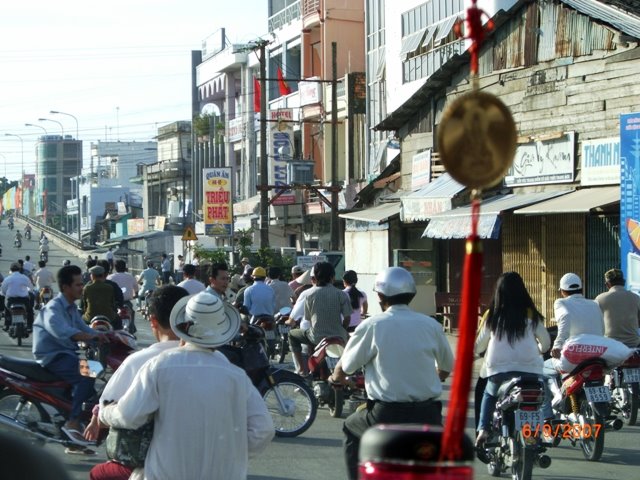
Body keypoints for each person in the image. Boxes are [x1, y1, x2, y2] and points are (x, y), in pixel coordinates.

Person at [99, 292, 274, 479]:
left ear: (182, 325)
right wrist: (230, 452)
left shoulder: (160, 366)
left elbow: (129, 416)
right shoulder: (237, 376)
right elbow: (263, 429)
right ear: (222, 332)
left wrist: (105, 413)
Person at [329, 267, 454, 480]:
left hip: (385, 415)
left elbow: (346, 366)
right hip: (427, 414)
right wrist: (433, 376)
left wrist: (336, 378)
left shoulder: (372, 325)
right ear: (412, 295)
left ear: (380, 296)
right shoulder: (431, 325)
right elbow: (446, 366)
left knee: (350, 428)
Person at [85, 286, 189, 480]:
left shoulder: (142, 361)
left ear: (153, 321)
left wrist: (99, 418)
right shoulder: (219, 365)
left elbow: (113, 407)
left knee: (98, 474)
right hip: (205, 463)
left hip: (151, 465)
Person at [472, 272, 550, 455]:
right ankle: (541, 429)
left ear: (499, 292)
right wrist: (537, 350)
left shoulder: (492, 315)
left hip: (498, 371)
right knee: (539, 397)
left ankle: (483, 429)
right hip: (530, 370)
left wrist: (480, 352)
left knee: (490, 395)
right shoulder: (532, 314)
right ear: (522, 291)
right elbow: (546, 343)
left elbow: (477, 346)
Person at [32, 265, 109, 446]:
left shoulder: (72, 308)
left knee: (96, 371)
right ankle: (73, 421)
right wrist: (91, 336)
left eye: (82, 284)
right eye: (78, 285)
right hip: (53, 356)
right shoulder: (54, 308)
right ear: (66, 287)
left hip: (66, 354)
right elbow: (62, 332)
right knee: (88, 374)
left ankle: (75, 437)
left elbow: (83, 328)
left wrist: (108, 334)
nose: (81, 288)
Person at [288, 262, 352, 376]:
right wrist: (342, 329)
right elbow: (347, 318)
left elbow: (308, 319)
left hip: (316, 337)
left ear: (314, 277)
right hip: (339, 336)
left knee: (292, 335)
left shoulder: (308, 294)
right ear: (332, 277)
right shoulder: (341, 294)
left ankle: (302, 370)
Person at [550, 272, 604, 359]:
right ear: (581, 289)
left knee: (546, 366)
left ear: (562, 291)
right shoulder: (595, 304)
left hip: (575, 357)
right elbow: (602, 329)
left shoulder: (560, 302)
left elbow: (565, 317)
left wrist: (557, 345)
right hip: (597, 355)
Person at [595, 268, 640, 348]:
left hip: (610, 347)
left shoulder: (600, 299)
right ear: (624, 282)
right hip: (634, 346)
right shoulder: (636, 298)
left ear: (607, 284)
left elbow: (596, 324)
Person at [108, 259, 139, 334]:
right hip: (127, 302)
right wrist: (136, 295)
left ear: (115, 268)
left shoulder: (110, 277)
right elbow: (136, 289)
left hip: (115, 303)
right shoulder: (130, 276)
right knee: (131, 312)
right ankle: (131, 329)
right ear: (125, 267)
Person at [1, 262, 34, 330]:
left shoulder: (7, 279)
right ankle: (30, 325)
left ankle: (7, 325)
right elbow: (31, 288)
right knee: (30, 310)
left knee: (7, 309)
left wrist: (6, 294)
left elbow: (3, 290)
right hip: (24, 300)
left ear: (11, 269)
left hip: (11, 300)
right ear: (19, 269)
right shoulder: (24, 277)